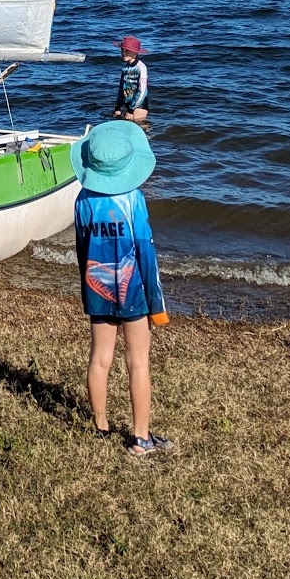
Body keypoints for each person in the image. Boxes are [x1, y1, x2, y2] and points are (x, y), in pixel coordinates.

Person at [72, 118, 171, 456]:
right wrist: (156, 306)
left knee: (100, 358)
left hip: (97, 287)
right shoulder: (134, 200)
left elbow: (82, 249)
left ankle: (101, 428)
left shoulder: (83, 200)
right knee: (138, 362)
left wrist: (87, 288)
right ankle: (141, 439)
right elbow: (146, 252)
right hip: (134, 291)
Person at [112, 35, 150, 122]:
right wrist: (118, 106)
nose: (123, 53)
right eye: (122, 50)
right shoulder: (125, 68)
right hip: (128, 103)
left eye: (127, 51)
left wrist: (131, 109)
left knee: (139, 126)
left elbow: (143, 91)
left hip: (139, 105)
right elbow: (121, 89)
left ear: (135, 53)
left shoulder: (141, 67)